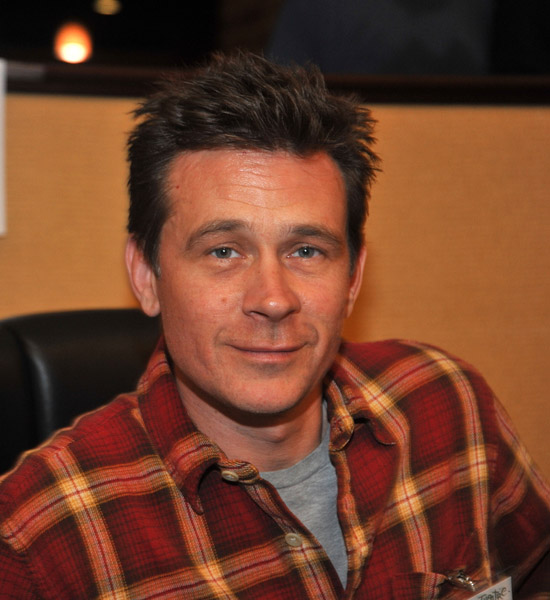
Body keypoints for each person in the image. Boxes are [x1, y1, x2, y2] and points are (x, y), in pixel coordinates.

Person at [0, 52, 549, 599]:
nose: (272, 299)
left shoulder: (447, 406)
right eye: (223, 251)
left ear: (353, 277)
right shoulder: (36, 539)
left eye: (306, 250)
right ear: (146, 275)